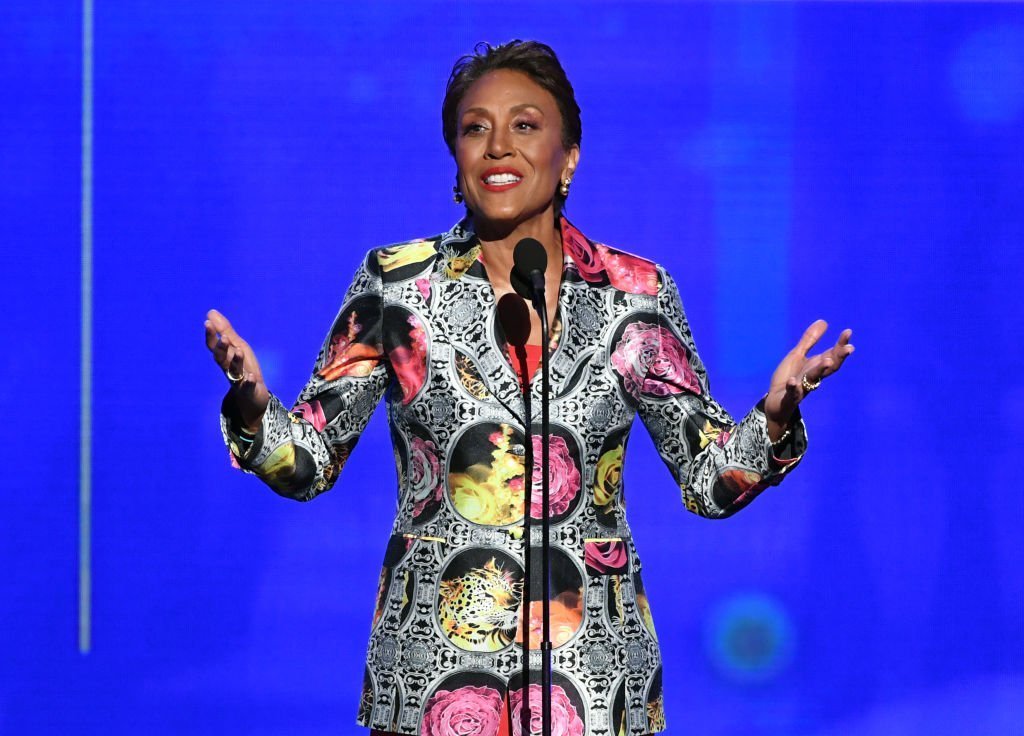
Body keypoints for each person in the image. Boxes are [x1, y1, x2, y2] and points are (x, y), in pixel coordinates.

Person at [204, 40, 853, 736]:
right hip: (436, 675)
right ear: (456, 157)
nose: (498, 146)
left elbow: (708, 477)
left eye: (525, 124)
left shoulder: (633, 294)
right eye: (475, 127)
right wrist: (251, 404)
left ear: (569, 154)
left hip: (592, 676)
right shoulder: (397, 285)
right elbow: (307, 462)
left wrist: (777, 413)